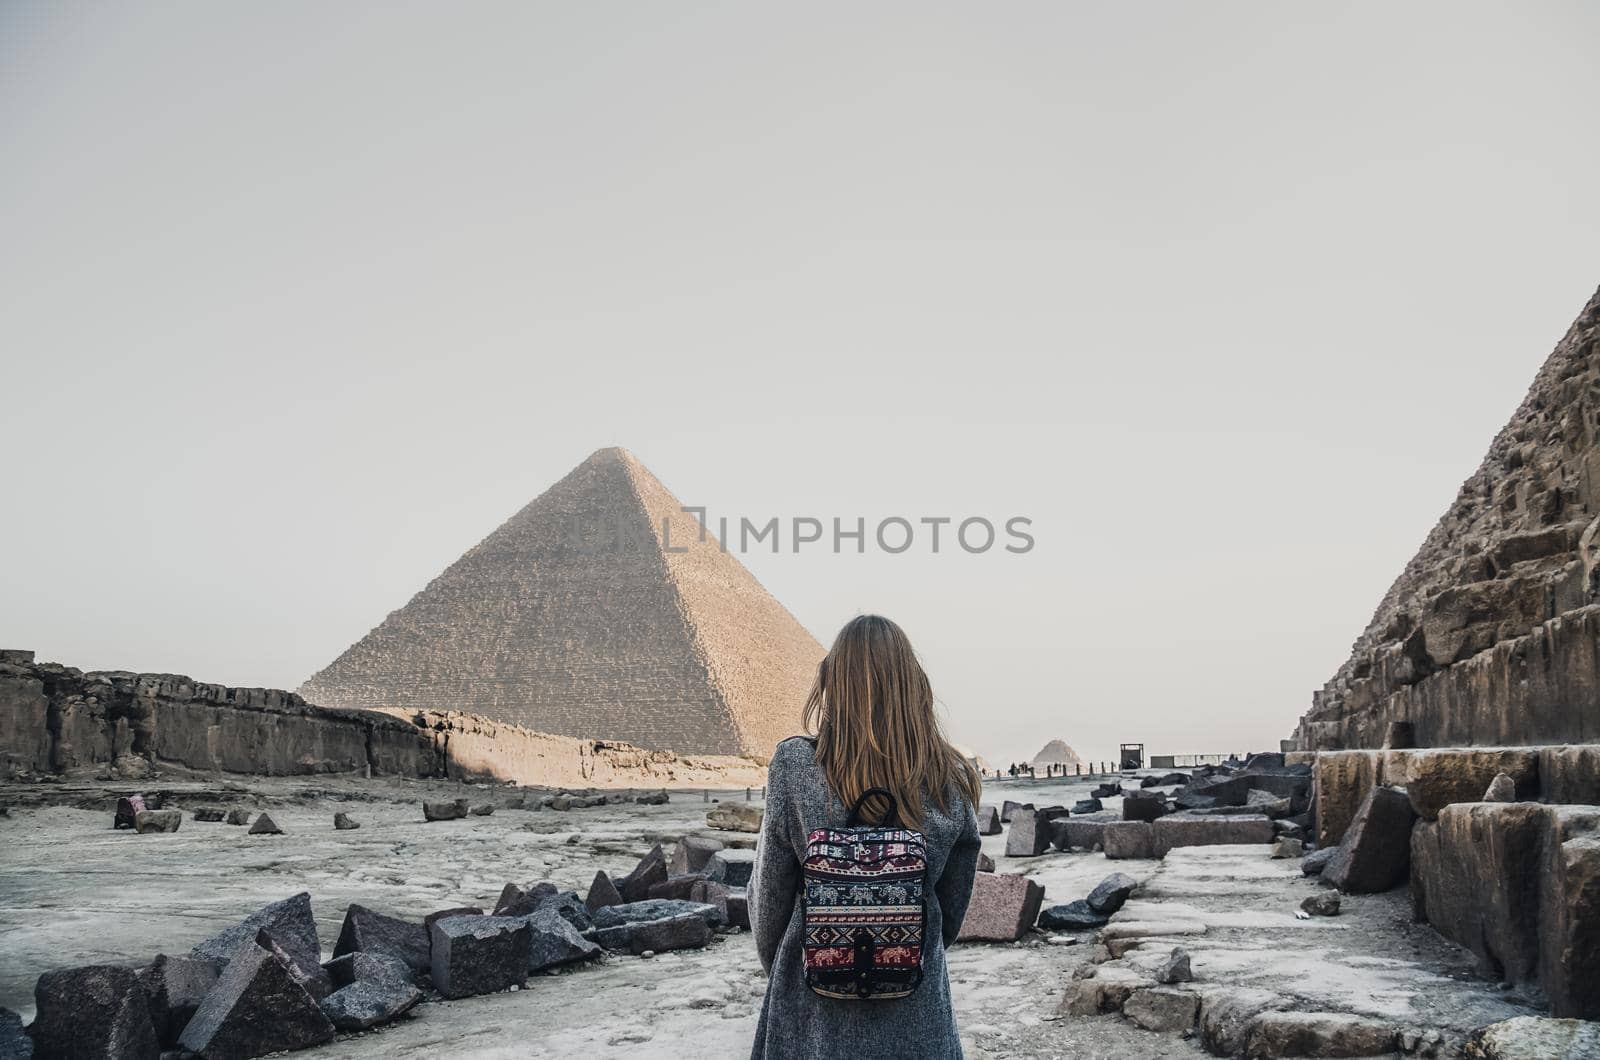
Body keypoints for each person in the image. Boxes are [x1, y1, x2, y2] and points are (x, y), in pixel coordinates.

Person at [749, 614, 983, 1060]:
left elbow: (769, 904)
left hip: (812, 1009)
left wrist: (793, 965)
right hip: (916, 1011)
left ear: (832, 684)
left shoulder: (796, 766)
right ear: (914, 685)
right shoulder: (949, 779)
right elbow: (950, 911)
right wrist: (899, 947)